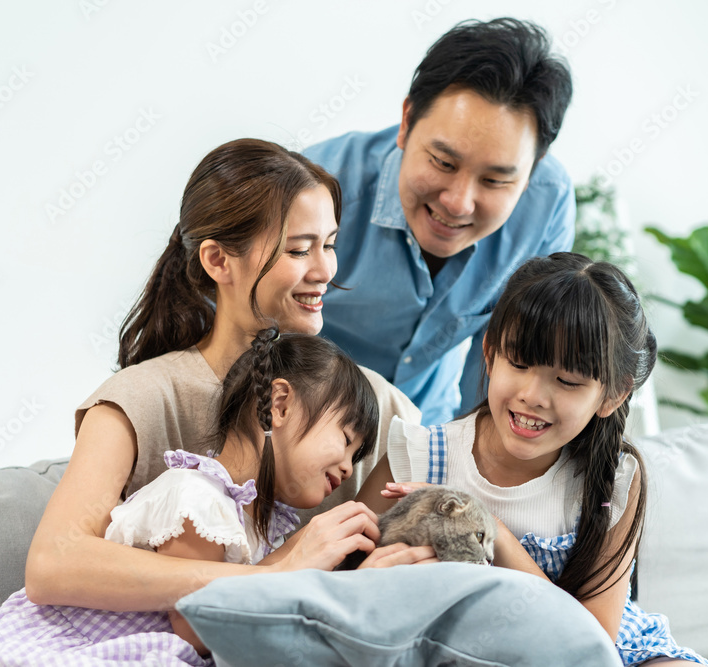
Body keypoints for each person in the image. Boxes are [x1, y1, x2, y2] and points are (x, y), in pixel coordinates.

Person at [23, 139, 426, 621]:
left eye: (330, 244)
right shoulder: (141, 399)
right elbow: (52, 564)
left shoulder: (385, 409)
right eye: (300, 249)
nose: (326, 270)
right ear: (218, 261)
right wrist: (275, 574)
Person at [0, 327, 431, 665]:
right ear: (281, 404)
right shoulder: (199, 497)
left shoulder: (259, 523)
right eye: (346, 439)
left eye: (358, 454)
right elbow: (199, 626)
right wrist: (296, 569)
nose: (350, 467)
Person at [358, 253, 708, 666]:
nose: (533, 395)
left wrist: (495, 534)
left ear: (612, 395)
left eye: (567, 381)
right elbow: (336, 576)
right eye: (519, 363)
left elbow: (591, 647)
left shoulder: (613, 479)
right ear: (489, 355)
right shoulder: (419, 457)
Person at [304, 17, 576, 425]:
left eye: (495, 180)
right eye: (443, 162)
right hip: (302, 429)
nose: (458, 203)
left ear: (534, 167)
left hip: (427, 431)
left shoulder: (547, 204)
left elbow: (510, 362)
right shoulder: (316, 189)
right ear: (407, 121)